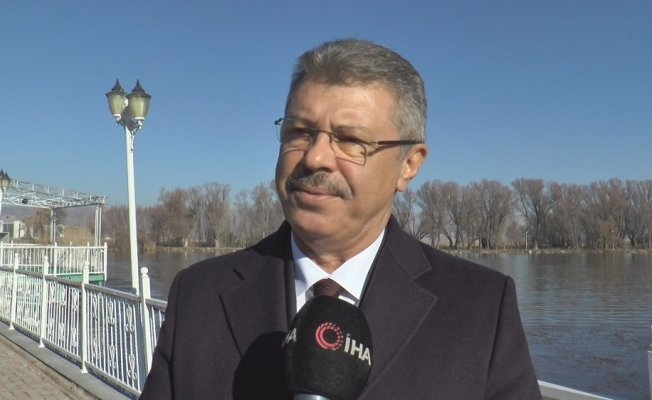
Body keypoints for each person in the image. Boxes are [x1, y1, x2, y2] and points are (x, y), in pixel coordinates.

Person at [140, 38, 542, 399]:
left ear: (408, 164)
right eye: (299, 132)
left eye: (350, 141)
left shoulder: (481, 307)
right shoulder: (198, 295)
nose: (315, 157)